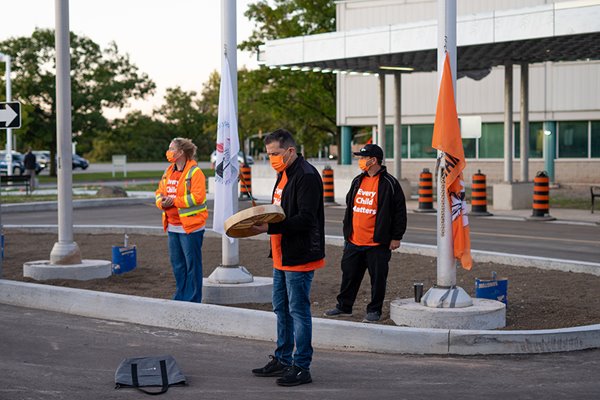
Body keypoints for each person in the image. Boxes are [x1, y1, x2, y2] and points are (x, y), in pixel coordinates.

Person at [251, 128, 325, 387]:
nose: (272, 158)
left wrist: (270, 227)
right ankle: (283, 359)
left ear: (290, 151)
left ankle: (302, 366)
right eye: (269, 154)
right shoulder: (283, 174)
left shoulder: (306, 176)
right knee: (281, 309)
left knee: (298, 312)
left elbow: (306, 219)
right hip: (281, 255)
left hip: (300, 255)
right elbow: (281, 211)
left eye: (276, 153)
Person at [324, 144, 407, 322]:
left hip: (377, 243)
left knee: (378, 279)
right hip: (354, 241)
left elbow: (400, 212)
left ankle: (374, 310)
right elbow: (349, 205)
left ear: (373, 160)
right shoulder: (357, 180)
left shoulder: (390, 183)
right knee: (349, 275)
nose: (360, 161)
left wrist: (396, 237)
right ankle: (344, 306)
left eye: (363, 158)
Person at [155, 137, 207, 303]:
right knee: (178, 265)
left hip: (190, 228)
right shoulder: (168, 172)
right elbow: (159, 192)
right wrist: (161, 202)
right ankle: (181, 296)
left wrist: (174, 201)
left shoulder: (195, 172)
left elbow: (198, 197)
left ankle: (193, 299)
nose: (169, 152)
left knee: (192, 265)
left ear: (181, 152)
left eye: (172, 149)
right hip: (172, 226)